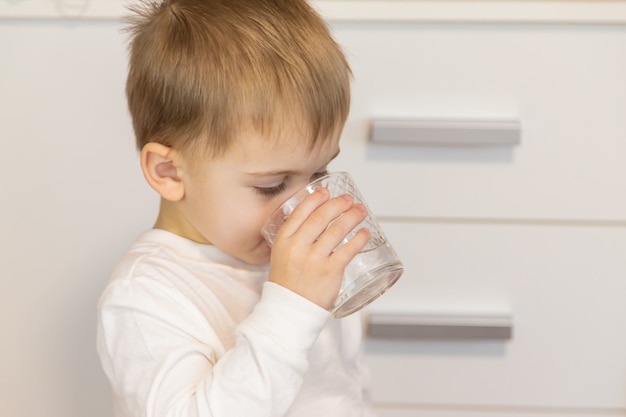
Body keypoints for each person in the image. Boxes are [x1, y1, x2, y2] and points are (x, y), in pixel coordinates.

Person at [96, 0, 376, 416]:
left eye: (320, 174)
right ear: (170, 171)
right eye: (272, 185)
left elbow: (340, 389)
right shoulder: (146, 296)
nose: (305, 206)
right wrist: (292, 308)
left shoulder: (295, 264)